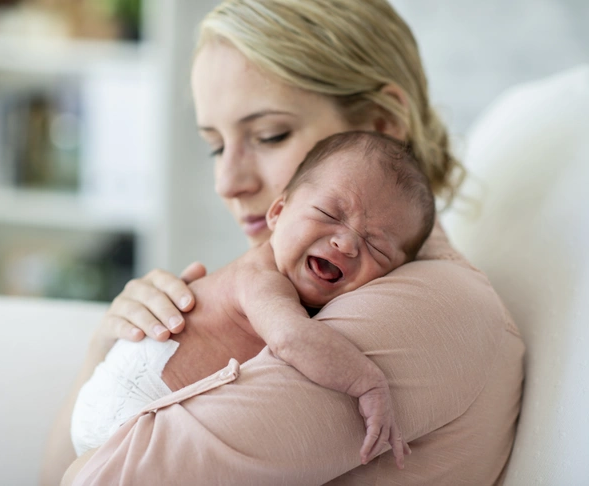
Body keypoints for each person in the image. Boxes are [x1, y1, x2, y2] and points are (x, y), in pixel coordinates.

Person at [42, 1, 525, 484]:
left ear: (380, 126)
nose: (227, 182)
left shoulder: (428, 309)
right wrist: (109, 345)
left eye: (270, 135)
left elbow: (95, 479)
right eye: (215, 145)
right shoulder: (305, 290)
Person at [70, 131, 434, 469]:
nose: (348, 243)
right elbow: (291, 338)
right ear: (277, 213)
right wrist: (368, 383)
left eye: (376, 247)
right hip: (125, 408)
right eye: (328, 214)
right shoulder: (259, 278)